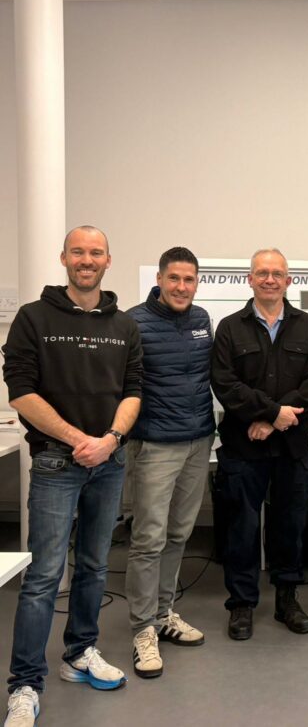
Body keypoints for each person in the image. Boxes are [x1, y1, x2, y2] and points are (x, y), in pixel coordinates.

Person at [3, 226, 142, 727]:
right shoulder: (34, 318)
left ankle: (79, 654)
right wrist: (75, 439)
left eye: (96, 252)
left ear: (109, 259)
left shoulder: (124, 325)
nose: (87, 259)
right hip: (55, 466)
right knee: (43, 577)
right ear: (64, 257)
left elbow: (134, 389)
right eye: (78, 251)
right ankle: (24, 684)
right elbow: (20, 390)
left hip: (108, 462)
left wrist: (109, 441)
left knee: (95, 567)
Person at [211, 249, 308, 641]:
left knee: (290, 527)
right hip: (243, 447)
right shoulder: (230, 328)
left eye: (277, 273)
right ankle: (242, 605)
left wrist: (275, 421)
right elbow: (225, 384)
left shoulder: (307, 326)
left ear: (288, 281)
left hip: (292, 448)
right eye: (262, 273)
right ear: (250, 279)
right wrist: (268, 413)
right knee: (241, 529)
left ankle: (287, 601)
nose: (270, 279)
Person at [124, 247, 215, 678]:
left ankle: (163, 613)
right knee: (149, 539)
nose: (182, 287)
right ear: (159, 279)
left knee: (179, 533)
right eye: (174, 278)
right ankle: (142, 629)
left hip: (199, 441)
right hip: (155, 445)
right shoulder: (134, 322)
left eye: (189, 279)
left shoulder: (201, 321)